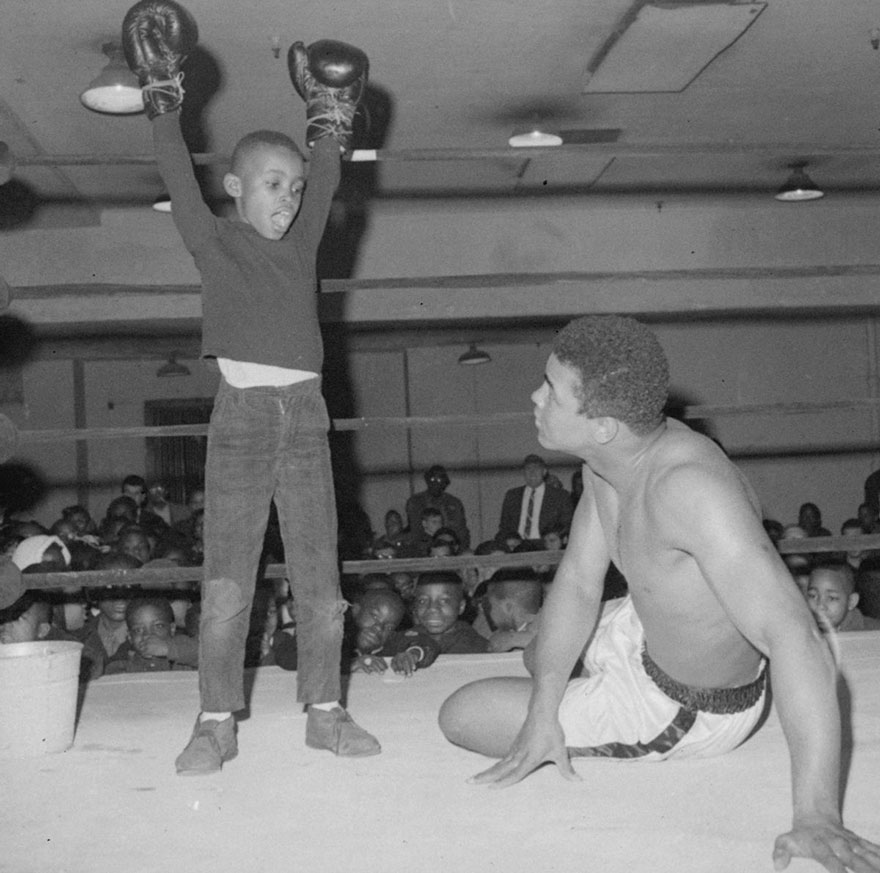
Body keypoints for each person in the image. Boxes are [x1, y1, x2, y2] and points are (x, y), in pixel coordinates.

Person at [438, 315, 879, 872]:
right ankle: (562, 680)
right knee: (536, 658)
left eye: (550, 390)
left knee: (463, 714)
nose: (534, 396)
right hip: (643, 624)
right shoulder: (608, 461)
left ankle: (605, 710)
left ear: (601, 425)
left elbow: (795, 635)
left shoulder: (689, 489)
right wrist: (544, 705)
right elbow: (577, 580)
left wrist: (817, 814)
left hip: (685, 702)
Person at [121, 0, 377, 772]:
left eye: (294, 188)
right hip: (239, 419)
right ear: (236, 186)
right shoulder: (215, 241)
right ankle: (214, 720)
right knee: (229, 583)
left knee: (321, 581)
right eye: (272, 184)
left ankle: (325, 711)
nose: (288, 199)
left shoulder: (301, 247)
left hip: (305, 418)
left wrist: (328, 116)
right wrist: (164, 90)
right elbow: (175, 169)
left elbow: (329, 173)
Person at [347, 587, 439, 676]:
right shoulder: (337, 640)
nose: (379, 628)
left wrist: (413, 654)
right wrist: (349, 665)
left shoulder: (391, 643)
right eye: (375, 616)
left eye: (389, 627)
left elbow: (427, 643)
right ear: (356, 610)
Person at [104, 595, 199, 674]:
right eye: (138, 630)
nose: (148, 635)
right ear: (130, 637)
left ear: (172, 629)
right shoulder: (121, 668)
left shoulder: (185, 662)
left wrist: (168, 649)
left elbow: (207, 654)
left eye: (158, 626)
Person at [496, 454, 573, 545]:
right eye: (528, 469)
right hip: (517, 546)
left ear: (544, 472)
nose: (532, 473)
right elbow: (504, 526)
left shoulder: (560, 495)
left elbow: (566, 524)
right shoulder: (512, 495)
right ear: (523, 472)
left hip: (546, 545)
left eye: (537, 469)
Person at [411, 571, 488, 654]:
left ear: (461, 606)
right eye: (423, 601)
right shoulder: (407, 638)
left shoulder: (475, 647)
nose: (432, 608)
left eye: (444, 601)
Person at [405, 465, 470, 551]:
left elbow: (462, 532)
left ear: (445, 483)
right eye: (432, 479)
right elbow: (415, 530)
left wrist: (459, 550)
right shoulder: (416, 502)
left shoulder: (454, 503)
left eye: (439, 480)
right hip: (424, 548)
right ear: (427, 480)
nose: (435, 483)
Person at [806, 563, 880, 633]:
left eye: (831, 598)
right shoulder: (801, 629)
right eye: (813, 596)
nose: (820, 606)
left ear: (851, 601)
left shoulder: (873, 632)